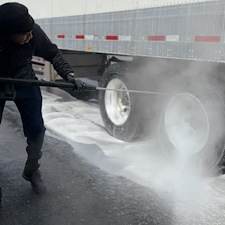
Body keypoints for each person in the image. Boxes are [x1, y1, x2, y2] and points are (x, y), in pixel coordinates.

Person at [0, 2, 87, 198]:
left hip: (25, 81)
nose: (30, 36)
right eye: (24, 33)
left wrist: (70, 75)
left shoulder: (33, 32)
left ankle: (31, 169)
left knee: (36, 129)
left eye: (30, 31)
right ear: (7, 32)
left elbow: (53, 54)